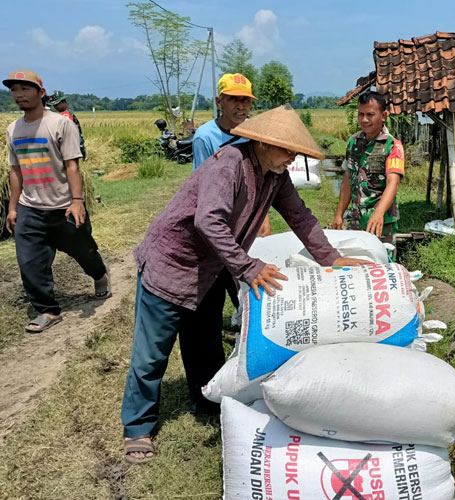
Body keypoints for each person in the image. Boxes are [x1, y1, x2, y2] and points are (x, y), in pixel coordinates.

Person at [120, 104, 370, 464]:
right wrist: (247, 266)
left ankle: (205, 401)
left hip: (210, 267)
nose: (292, 158)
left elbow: (299, 215)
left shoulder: (273, 174)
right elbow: (209, 222)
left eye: (296, 152)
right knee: (152, 352)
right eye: (287, 150)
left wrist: (331, 258)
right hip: (173, 263)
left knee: (204, 343)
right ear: (264, 144)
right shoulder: (229, 165)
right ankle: (137, 427)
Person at [3, 70, 110, 333]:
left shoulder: (61, 124)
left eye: (25, 89)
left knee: (85, 252)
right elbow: (15, 171)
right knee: (29, 262)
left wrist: (77, 201)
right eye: (14, 90)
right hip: (30, 206)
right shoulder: (13, 129)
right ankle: (48, 310)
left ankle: (99, 274)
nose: (19, 95)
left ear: (41, 93)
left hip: (63, 206)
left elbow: (71, 165)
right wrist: (13, 208)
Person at [193, 72, 271, 237]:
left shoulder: (255, 133)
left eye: (245, 100)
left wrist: (263, 218)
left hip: (251, 208)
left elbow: (261, 178)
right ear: (219, 102)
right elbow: (202, 185)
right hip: (219, 209)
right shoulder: (205, 137)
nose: (241, 106)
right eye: (233, 99)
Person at [332, 91, 404, 244]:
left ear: (383, 115)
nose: (364, 120)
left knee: (382, 264)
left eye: (370, 114)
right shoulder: (353, 142)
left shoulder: (392, 146)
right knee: (356, 262)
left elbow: (393, 183)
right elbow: (347, 179)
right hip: (356, 220)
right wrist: (339, 214)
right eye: (360, 114)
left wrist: (378, 213)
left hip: (380, 222)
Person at [48, 91, 86, 161]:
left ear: (63, 102)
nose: (55, 107)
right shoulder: (68, 112)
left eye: (56, 104)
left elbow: (66, 132)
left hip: (73, 147)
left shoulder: (66, 115)